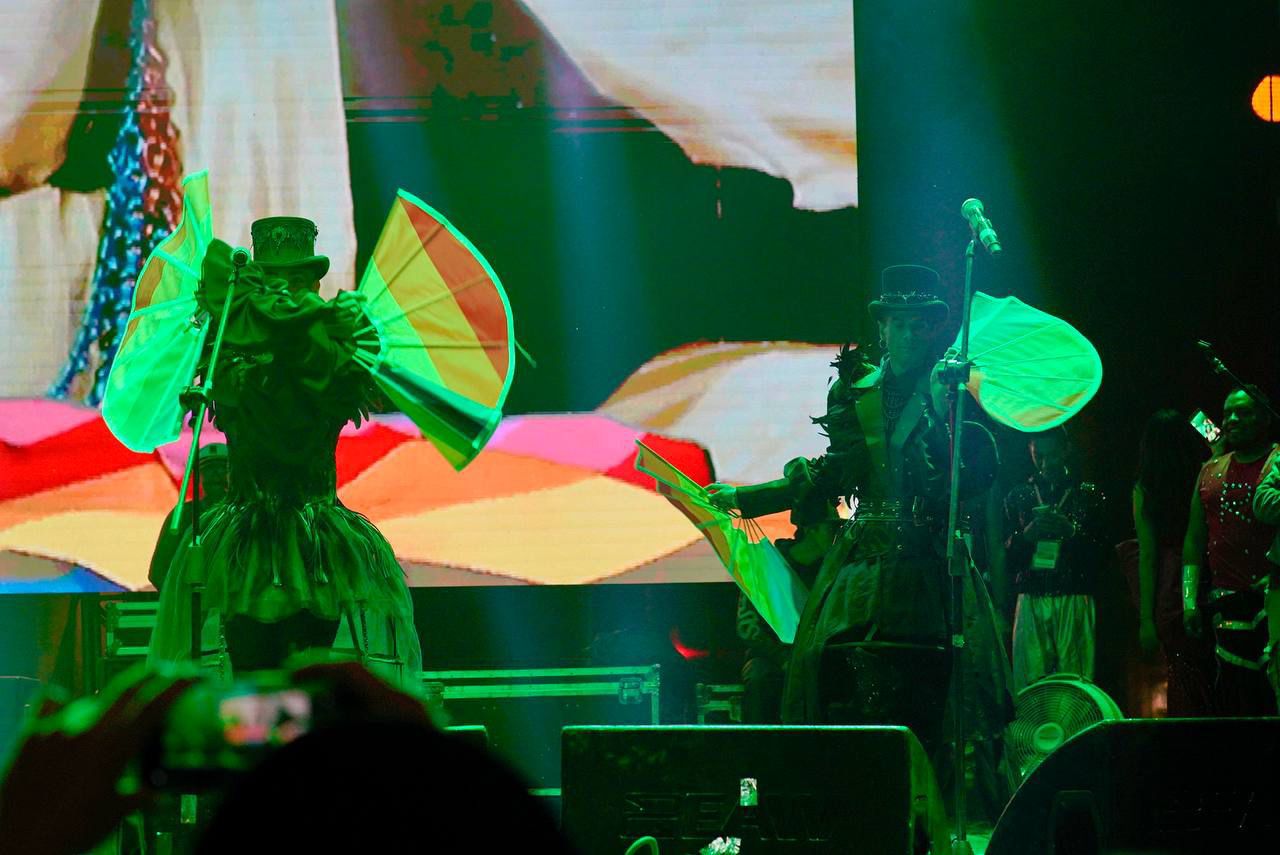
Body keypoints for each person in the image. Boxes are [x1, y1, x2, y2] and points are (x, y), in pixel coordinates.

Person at [707, 265, 1011, 761]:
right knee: (834, 671)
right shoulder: (855, 389)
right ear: (882, 328)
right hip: (863, 562)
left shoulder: (954, 390)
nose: (909, 334)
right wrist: (745, 499)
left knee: (938, 686)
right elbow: (830, 472)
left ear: (933, 330)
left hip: (930, 560)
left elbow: (967, 481)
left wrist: (943, 412)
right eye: (899, 323)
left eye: (919, 325)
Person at [147, 218, 421, 685]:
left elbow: (318, 401)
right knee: (254, 677)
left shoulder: (337, 357)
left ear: (314, 287)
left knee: (308, 680)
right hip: (249, 536)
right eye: (276, 281)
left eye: (297, 281)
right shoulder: (228, 357)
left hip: (315, 539)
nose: (287, 294)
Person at [1183, 387, 1278, 716]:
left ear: (1266, 418)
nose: (1233, 419)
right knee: (1236, 700)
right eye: (1228, 414)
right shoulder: (1210, 470)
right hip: (1226, 605)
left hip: (1273, 599)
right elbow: (1194, 539)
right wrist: (1189, 601)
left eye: (1244, 412)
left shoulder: (1278, 463)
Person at [1000, 428, 1107, 691]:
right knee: (1030, 684)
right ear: (1030, 451)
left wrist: (1071, 532)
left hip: (1074, 594)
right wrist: (1026, 536)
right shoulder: (1019, 495)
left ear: (1066, 450)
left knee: (1076, 683)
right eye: (1039, 456)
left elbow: (1103, 553)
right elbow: (1004, 554)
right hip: (1031, 594)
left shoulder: (1086, 493)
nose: (1045, 464)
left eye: (1052, 455)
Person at [1132, 410, 1213, 715]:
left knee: (1181, 670)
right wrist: (1207, 431)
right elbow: (1221, 445)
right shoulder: (1205, 474)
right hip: (1208, 570)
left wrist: (1146, 620)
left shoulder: (1145, 488)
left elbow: (1147, 556)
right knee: (1213, 665)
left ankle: (1185, 729)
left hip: (1171, 581)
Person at [148, 442, 230, 593]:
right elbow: (159, 571)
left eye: (222, 468)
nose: (216, 475)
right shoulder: (183, 515)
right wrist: (181, 598)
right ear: (199, 476)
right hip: (192, 601)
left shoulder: (246, 515)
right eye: (208, 469)